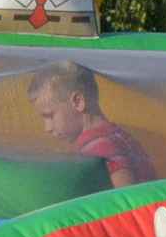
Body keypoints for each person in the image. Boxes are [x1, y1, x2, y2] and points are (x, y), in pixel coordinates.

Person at [26, 60, 155, 188]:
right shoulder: (119, 135)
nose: (47, 128)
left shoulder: (96, 148)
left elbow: (125, 194)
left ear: (78, 102)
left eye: (49, 116)